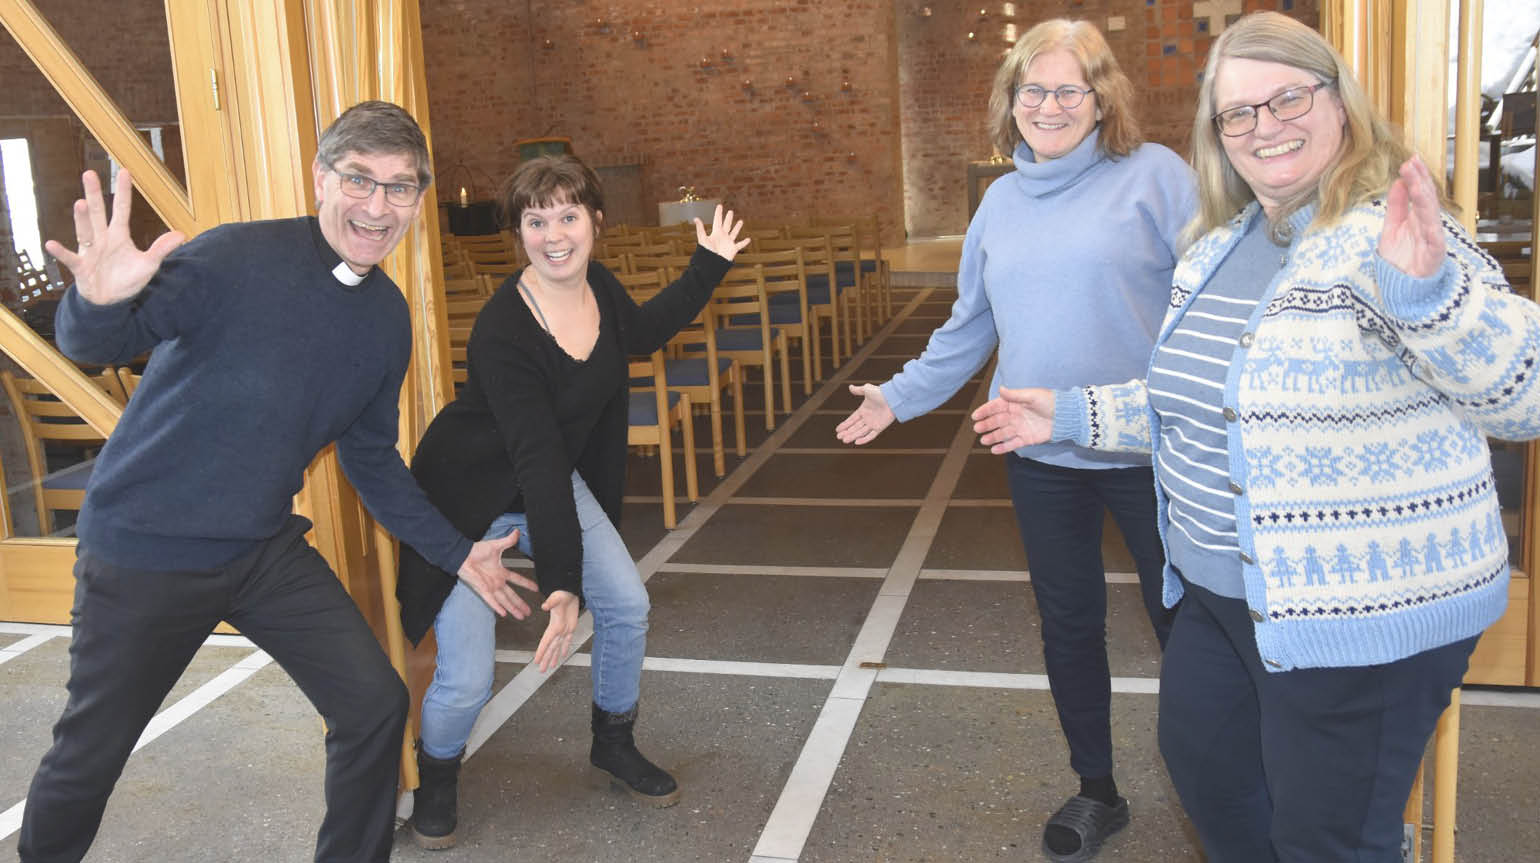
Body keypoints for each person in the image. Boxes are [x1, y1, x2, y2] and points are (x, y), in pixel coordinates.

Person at [971, 12, 1538, 862]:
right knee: (1210, 773)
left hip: (1359, 611)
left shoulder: (1388, 232)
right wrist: (1075, 413)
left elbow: (1522, 394)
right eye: (1239, 113)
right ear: (1218, 135)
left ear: (1339, 102)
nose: (1264, 127)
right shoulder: (1223, 243)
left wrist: (1430, 300)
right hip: (1219, 597)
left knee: (1328, 836)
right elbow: (1206, 404)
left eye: (1287, 99)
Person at [20, 101, 540, 863]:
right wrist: (95, 299)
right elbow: (100, 341)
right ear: (322, 178)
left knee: (373, 702)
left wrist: (458, 551)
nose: (377, 205)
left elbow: (371, 457)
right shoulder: (234, 257)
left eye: (399, 188)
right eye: (360, 179)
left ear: (419, 201)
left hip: (262, 548)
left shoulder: (386, 318)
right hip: (146, 547)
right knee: (91, 753)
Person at [834, 18, 1194, 863]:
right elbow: (969, 328)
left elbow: (1204, 306)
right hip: (1040, 456)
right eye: (1033, 90)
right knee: (1069, 625)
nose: (1051, 105)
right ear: (1011, 102)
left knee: (1187, 622)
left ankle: (1220, 781)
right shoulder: (999, 202)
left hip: (1150, 450)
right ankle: (1096, 788)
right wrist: (897, 396)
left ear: (1103, 97)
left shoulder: (1156, 178)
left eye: (1071, 89)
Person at [395, 154, 749, 850]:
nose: (553, 234)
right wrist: (561, 580)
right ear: (518, 230)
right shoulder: (503, 329)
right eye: (536, 219)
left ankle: (612, 741)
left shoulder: (599, 289)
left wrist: (707, 266)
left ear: (595, 221)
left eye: (566, 215)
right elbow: (537, 459)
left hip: (550, 483)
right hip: (468, 504)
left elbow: (639, 334)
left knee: (627, 603)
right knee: (466, 679)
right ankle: (437, 777)